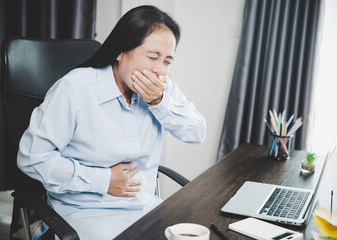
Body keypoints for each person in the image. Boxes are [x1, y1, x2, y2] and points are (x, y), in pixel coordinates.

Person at [17, 5, 206, 240]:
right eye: (152, 57)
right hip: (86, 214)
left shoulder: (162, 90)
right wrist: (103, 180)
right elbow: (32, 158)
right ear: (121, 51)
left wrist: (159, 102)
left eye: (167, 61)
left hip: (144, 208)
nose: (159, 70)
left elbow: (197, 132)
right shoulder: (75, 89)